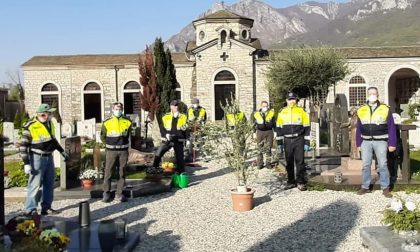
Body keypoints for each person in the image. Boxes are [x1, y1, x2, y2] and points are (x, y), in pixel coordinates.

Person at [19, 104, 69, 215]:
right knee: (35, 185)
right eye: (49, 113)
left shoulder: (49, 124)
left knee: (49, 183)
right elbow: (23, 146)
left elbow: (53, 140)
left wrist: (62, 151)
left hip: (48, 157)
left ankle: (46, 207)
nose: (51, 115)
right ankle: (30, 209)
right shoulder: (30, 126)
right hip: (37, 158)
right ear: (42, 114)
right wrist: (26, 163)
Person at [356, 87, 396, 198]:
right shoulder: (361, 109)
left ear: (378, 95)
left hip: (381, 141)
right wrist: (358, 144)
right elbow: (358, 128)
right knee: (365, 165)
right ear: (367, 95)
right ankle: (365, 186)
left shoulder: (385, 109)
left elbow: (391, 127)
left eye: (374, 93)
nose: (372, 95)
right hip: (366, 141)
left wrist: (392, 143)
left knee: (382, 164)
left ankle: (385, 188)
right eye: (370, 93)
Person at [275, 92, 310, 191]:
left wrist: (307, 142)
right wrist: (279, 143)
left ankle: (300, 182)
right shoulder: (282, 112)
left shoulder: (301, 111)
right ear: (286, 100)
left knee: (300, 161)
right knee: (289, 161)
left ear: (296, 100)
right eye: (289, 99)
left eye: (293, 99)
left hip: (299, 139)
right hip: (287, 140)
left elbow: (307, 127)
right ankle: (290, 181)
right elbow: (278, 129)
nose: (291, 101)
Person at [101, 102, 132, 203]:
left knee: (122, 172)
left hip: (123, 151)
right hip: (111, 151)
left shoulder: (127, 121)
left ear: (122, 110)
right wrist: (109, 144)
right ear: (113, 110)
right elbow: (103, 136)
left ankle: (119, 193)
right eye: (116, 109)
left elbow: (129, 135)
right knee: (108, 172)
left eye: (120, 109)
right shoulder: (107, 122)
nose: (118, 111)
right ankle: (106, 192)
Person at [152, 100, 188, 173]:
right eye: (174, 105)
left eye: (177, 105)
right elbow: (162, 128)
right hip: (168, 139)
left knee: (180, 158)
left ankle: (181, 173)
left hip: (178, 139)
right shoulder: (166, 116)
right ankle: (154, 168)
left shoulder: (183, 116)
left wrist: (186, 137)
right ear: (171, 106)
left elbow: (186, 129)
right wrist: (165, 134)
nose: (176, 107)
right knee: (159, 152)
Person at [251, 101, 275, 169]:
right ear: (261, 106)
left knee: (268, 148)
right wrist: (253, 133)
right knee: (259, 148)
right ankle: (260, 163)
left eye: (266, 106)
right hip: (260, 132)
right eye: (264, 106)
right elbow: (253, 124)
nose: (265, 107)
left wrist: (275, 131)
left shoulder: (271, 113)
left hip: (269, 131)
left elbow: (274, 122)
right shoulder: (256, 113)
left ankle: (268, 163)